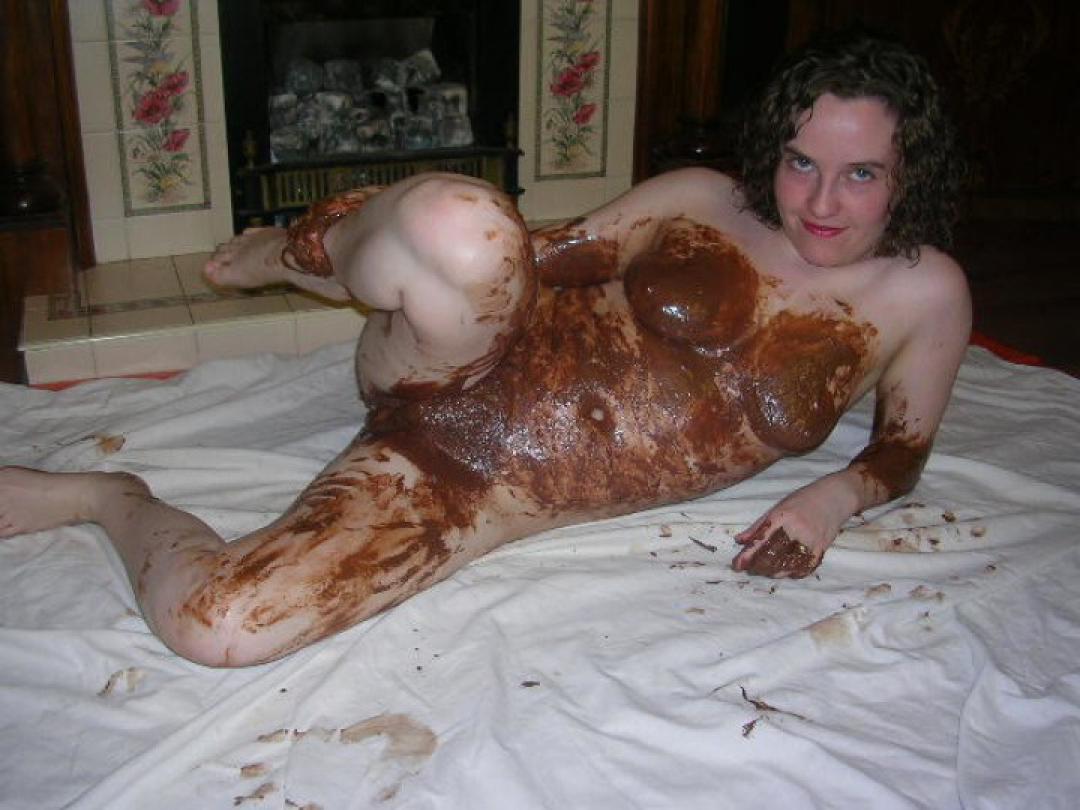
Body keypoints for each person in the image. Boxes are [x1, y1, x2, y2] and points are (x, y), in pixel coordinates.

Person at [0, 32, 970, 667]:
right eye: (801, 162)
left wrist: (832, 498)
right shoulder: (703, 201)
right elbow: (528, 262)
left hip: (466, 489)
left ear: (909, 173)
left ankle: (99, 496)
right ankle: (294, 253)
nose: (821, 201)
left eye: (861, 174)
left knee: (217, 627)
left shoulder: (926, 295)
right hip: (459, 366)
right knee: (463, 227)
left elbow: (900, 452)